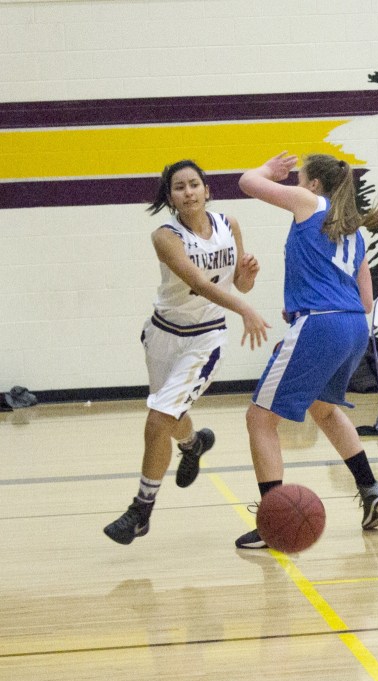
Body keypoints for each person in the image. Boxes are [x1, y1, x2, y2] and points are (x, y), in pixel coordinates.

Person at [235, 152, 378, 549]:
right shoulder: (355, 232)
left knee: (260, 419)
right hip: (354, 327)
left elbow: (246, 182)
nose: (294, 185)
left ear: (313, 185)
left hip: (321, 322)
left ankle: (271, 519)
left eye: (298, 178)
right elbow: (366, 300)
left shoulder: (310, 203)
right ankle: (371, 488)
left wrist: (265, 170)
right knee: (324, 410)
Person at [104, 160, 270, 545]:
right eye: (179, 187)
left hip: (205, 338)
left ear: (207, 190)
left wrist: (249, 274)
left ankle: (140, 511)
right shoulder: (165, 236)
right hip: (163, 335)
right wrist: (244, 308)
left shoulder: (230, 226)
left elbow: (239, 285)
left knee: (157, 420)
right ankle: (194, 444)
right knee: (170, 416)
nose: (189, 192)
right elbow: (196, 281)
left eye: (194, 184)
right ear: (171, 198)